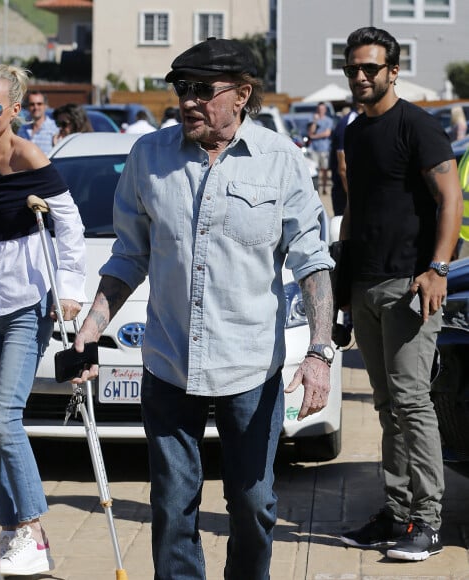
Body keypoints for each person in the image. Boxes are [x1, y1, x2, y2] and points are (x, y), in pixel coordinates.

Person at [71, 37, 335, 579]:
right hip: (168, 363)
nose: (187, 101)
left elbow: (312, 262)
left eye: (200, 90)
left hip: (250, 367)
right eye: (180, 89)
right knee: (171, 509)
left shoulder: (281, 161)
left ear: (242, 94)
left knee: (255, 507)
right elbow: (128, 256)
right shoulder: (149, 157)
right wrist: (92, 328)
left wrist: (319, 351)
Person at [0, 64, 87, 576]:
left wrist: (70, 291)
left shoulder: (31, 156)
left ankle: (30, 530)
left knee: (4, 420)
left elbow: (68, 223)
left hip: (30, 299)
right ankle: (16, 535)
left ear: (14, 110)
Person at [338, 27, 463, 561]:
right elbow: (355, 212)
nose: (361, 77)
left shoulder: (418, 125)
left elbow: (451, 198)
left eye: (371, 68)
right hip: (364, 284)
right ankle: (397, 511)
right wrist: (341, 287)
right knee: (387, 406)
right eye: (353, 69)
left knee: (413, 404)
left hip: (409, 285)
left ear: (393, 70)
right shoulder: (353, 133)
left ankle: (428, 522)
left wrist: (437, 268)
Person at [329, 99, 363, 216]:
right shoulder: (349, 122)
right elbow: (342, 167)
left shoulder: (363, 119)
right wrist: (352, 197)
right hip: (345, 193)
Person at [17, 90, 57, 154]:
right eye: (32, 104)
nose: (36, 107)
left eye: (39, 104)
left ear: (45, 106)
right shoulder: (22, 129)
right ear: (27, 107)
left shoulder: (54, 129)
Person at [307, 101, 334, 193]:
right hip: (314, 148)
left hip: (324, 148)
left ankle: (324, 187)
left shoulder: (328, 120)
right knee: (315, 169)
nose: (320, 111)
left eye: (322, 109)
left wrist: (314, 136)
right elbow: (310, 132)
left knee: (325, 169)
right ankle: (316, 187)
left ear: (325, 110)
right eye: (319, 109)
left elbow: (327, 133)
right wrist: (315, 121)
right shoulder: (312, 119)